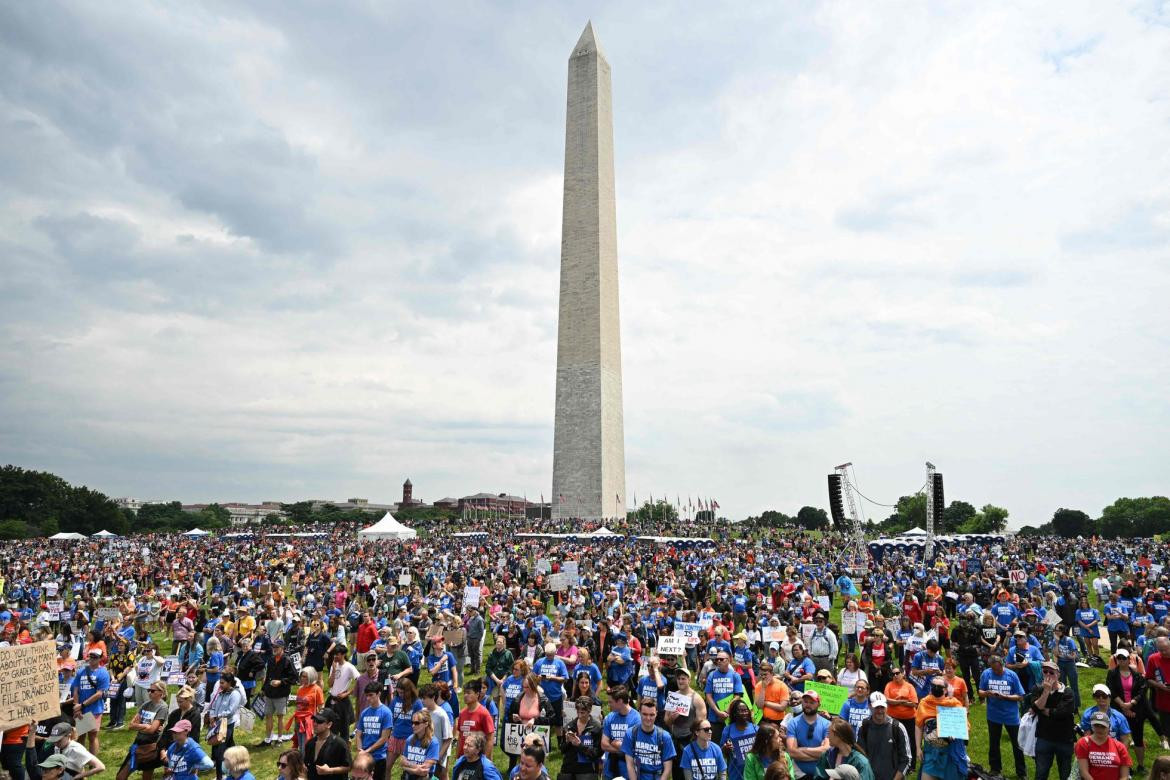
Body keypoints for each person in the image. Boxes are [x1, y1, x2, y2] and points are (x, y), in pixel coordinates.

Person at [978, 656, 1026, 780]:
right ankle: (995, 769)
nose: (996, 672)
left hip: (1011, 716)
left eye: (998, 670)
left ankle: (1021, 772)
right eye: (994, 670)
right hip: (993, 715)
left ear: (1002, 665)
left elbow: (1020, 696)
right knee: (994, 743)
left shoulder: (1012, 675)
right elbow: (980, 691)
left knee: (1017, 744)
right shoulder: (986, 674)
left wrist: (1006, 697)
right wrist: (987, 693)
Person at [1025, 660, 1075, 780]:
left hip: (1064, 739)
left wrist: (1043, 710)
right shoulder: (1037, 689)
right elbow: (1035, 708)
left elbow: (1062, 712)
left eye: (1051, 672)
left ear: (1058, 674)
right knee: (1041, 773)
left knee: (1065, 773)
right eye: (1045, 671)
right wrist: (1046, 691)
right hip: (1044, 738)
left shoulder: (1067, 692)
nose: (1048, 675)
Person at [115, 680, 166, 780]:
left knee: (146, 777)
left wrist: (139, 726)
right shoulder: (145, 705)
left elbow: (152, 730)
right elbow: (131, 725)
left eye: (152, 691)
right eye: (148, 690)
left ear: (161, 692)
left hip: (151, 745)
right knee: (120, 777)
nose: (149, 692)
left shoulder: (162, 707)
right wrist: (146, 726)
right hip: (138, 743)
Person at [857, 694, 911, 780]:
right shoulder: (863, 727)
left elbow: (906, 759)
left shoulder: (898, 728)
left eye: (882, 707)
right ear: (870, 707)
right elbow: (859, 757)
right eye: (876, 707)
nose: (880, 711)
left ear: (887, 707)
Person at [622, 697, 676, 780]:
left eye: (652, 715)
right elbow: (630, 765)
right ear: (639, 712)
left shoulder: (665, 737)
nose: (648, 718)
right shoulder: (630, 734)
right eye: (645, 714)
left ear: (656, 713)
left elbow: (668, 768)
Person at [71, 648, 110, 757]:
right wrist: (76, 706)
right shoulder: (81, 671)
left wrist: (82, 705)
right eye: (91, 656)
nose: (92, 659)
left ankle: (93, 763)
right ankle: (82, 760)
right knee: (81, 735)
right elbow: (75, 690)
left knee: (92, 736)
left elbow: (99, 694)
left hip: (94, 709)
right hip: (81, 709)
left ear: (100, 659)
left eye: (95, 657)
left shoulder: (103, 673)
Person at [786, 689, 831, 780]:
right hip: (799, 774)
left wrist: (801, 749)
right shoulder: (793, 723)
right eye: (805, 702)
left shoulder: (827, 724)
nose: (808, 705)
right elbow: (792, 752)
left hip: (821, 774)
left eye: (811, 702)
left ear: (819, 704)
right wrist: (818, 755)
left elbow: (826, 751)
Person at [206, 673, 244, 780]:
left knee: (219, 752)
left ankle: (220, 776)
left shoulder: (235, 694)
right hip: (217, 724)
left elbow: (231, 711)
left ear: (230, 683)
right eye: (220, 683)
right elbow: (213, 706)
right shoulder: (220, 693)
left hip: (226, 725)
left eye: (222, 683)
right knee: (231, 748)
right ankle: (238, 767)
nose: (220, 685)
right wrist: (212, 716)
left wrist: (217, 716)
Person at [1075, 711, 1132, 780]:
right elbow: (1083, 772)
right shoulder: (1083, 743)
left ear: (1109, 727)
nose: (1099, 729)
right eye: (1096, 725)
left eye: (1103, 726)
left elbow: (1124, 776)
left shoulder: (1120, 746)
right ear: (1092, 726)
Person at [354, 682, 393, 780]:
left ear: (379, 694)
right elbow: (358, 735)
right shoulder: (364, 712)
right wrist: (360, 750)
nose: (368, 698)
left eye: (371, 695)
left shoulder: (386, 712)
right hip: (364, 756)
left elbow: (384, 738)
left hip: (378, 756)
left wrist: (367, 751)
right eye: (366, 695)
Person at [704, 652, 744, 745]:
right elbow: (708, 696)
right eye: (717, 659)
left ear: (728, 660)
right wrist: (717, 712)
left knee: (732, 746)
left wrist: (727, 711)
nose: (718, 661)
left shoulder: (735, 675)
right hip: (715, 718)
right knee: (716, 744)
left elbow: (737, 695)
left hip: (731, 717)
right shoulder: (712, 675)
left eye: (721, 659)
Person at [264, 640, 299, 744]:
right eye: (273, 647)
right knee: (268, 715)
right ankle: (268, 738)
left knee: (280, 716)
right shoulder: (270, 659)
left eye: (277, 647)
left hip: (281, 693)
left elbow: (294, 678)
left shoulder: (287, 660)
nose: (274, 649)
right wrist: (263, 689)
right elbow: (268, 675)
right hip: (269, 692)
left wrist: (281, 682)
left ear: (282, 648)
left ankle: (279, 738)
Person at [560, 695, 603, 780]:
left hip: (587, 770)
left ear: (589, 711)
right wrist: (568, 742)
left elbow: (597, 753)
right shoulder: (569, 726)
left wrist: (580, 745)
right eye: (577, 711)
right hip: (568, 768)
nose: (579, 715)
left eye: (582, 712)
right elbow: (562, 750)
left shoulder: (596, 727)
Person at [602, 687, 641, 780]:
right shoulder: (610, 717)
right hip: (610, 767)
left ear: (619, 701)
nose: (609, 705)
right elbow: (604, 745)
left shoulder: (636, 719)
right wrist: (623, 749)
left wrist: (615, 743)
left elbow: (634, 747)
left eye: (611, 702)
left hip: (628, 769)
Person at [303, 708, 351, 780]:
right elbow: (306, 765)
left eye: (319, 721)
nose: (315, 724)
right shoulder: (310, 743)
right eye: (314, 721)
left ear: (329, 724)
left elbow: (349, 767)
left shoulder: (339, 744)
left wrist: (330, 771)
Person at [455, 680, 496, 759]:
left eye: (469, 693)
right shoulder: (462, 713)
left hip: (478, 759)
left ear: (477, 694)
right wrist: (457, 757)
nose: (465, 695)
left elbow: (490, 739)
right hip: (463, 758)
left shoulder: (484, 714)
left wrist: (485, 760)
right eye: (464, 693)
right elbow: (460, 737)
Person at [328, 646, 359, 739]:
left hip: (343, 701)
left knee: (344, 729)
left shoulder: (349, 667)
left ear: (343, 654)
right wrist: (333, 670)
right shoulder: (334, 665)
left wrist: (347, 693)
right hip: (332, 699)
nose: (335, 656)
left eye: (337, 654)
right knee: (330, 726)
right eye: (334, 654)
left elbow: (359, 681)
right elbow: (329, 684)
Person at [294, 667, 327, 751]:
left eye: (305, 676)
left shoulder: (316, 689)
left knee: (306, 746)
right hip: (298, 720)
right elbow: (298, 705)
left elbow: (321, 708)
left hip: (309, 722)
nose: (302, 678)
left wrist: (320, 722)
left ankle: (307, 762)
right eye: (302, 676)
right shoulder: (300, 689)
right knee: (301, 746)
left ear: (311, 677)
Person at [401, 711, 441, 780]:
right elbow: (402, 761)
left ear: (426, 724)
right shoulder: (409, 739)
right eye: (412, 723)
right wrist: (416, 769)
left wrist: (407, 768)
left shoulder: (433, 743)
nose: (413, 725)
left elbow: (424, 771)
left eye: (417, 723)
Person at [753, 663, 789, 728]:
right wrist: (763, 688)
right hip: (763, 720)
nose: (763, 677)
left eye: (765, 674)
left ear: (772, 674)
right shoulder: (758, 686)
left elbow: (782, 707)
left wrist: (765, 703)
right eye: (761, 675)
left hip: (778, 721)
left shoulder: (782, 685)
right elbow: (759, 706)